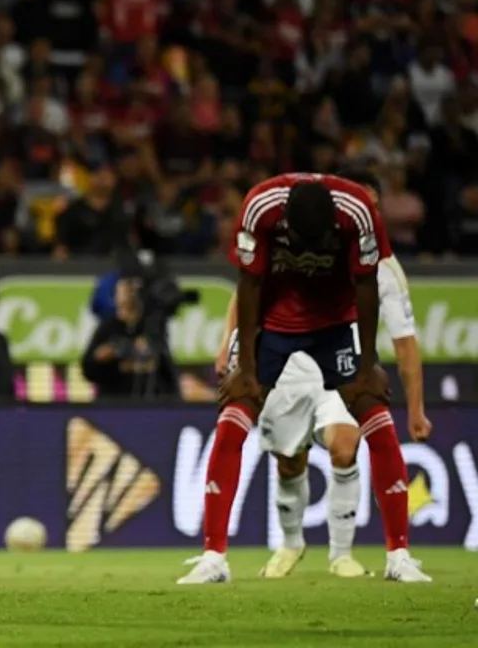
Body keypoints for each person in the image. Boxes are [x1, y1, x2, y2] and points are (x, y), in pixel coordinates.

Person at [178, 173, 429, 585]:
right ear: (285, 223)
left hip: (335, 324)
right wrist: (244, 364)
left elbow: (366, 287)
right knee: (232, 420)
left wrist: (366, 366)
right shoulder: (259, 206)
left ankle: (399, 555)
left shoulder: (359, 213)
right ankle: (213, 558)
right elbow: (249, 282)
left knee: (376, 417)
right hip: (271, 325)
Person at [250, 168, 431, 579]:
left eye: (371, 204)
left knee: (345, 444)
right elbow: (254, 287)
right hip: (290, 361)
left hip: (342, 357)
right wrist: (233, 344)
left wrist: (415, 409)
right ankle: (291, 543)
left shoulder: (384, 267)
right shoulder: (299, 241)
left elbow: (405, 343)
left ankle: (341, 553)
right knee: (289, 459)